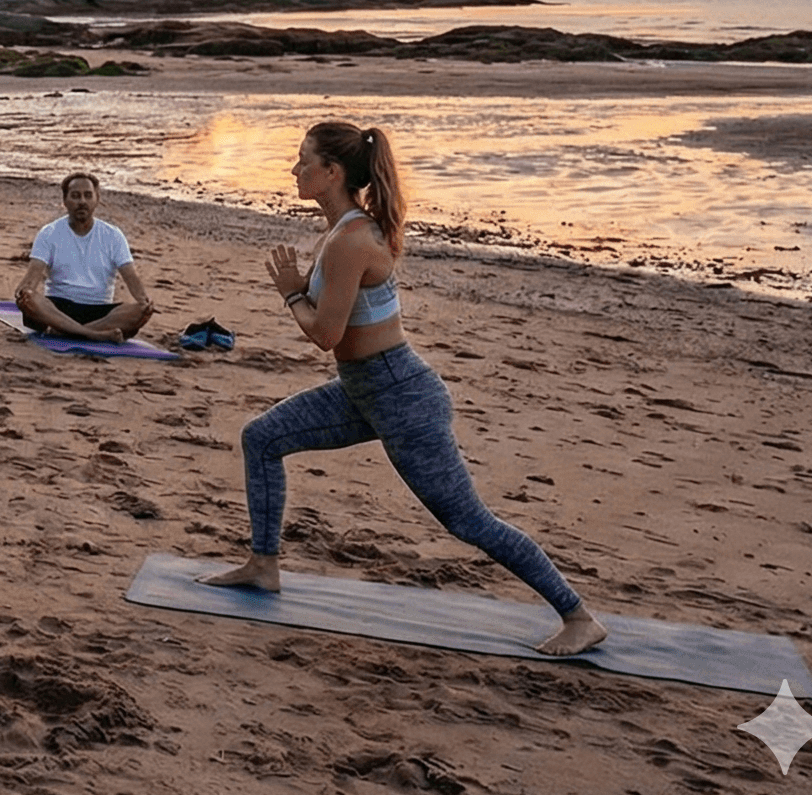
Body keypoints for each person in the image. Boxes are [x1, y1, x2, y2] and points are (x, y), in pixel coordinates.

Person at [203, 122, 606, 657]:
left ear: (333, 173)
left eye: (303, 161)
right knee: (263, 438)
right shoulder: (342, 232)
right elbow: (341, 310)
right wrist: (305, 287)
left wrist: (289, 295)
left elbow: (325, 334)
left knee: (467, 520)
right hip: (363, 390)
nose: (294, 170)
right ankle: (263, 565)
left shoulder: (350, 239)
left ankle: (578, 616)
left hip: (400, 396)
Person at [13, 173, 156, 342]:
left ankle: (67, 332)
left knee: (140, 310)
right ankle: (94, 335)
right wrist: (24, 294)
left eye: (88, 195)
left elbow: (132, 278)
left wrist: (144, 305)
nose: (82, 201)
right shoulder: (49, 233)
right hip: (58, 309)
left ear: (97, 199)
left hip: (100, 312)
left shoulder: (113, 236)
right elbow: (31, 279)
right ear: (65, 201)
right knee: (29, 299)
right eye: (75, 196)